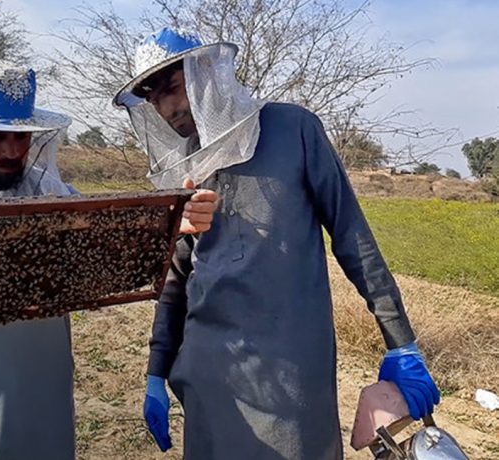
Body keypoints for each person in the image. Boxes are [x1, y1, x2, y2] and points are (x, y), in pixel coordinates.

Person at [0, 57, 218, 459]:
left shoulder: (63, 203)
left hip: (41, 396)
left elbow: (117, 253)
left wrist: (173, 228)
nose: (14, 149)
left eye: (23, 136)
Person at [112, 28, 441, 459]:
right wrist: (157, 371)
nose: (167, 107)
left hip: (290, 370)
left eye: (172, 87)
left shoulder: (292, 129)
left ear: (209, 72)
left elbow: (352, 237)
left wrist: (400, 339)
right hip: (209, 369)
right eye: (153, 97)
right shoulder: (190, 161)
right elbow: (178, 276)